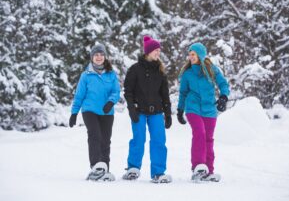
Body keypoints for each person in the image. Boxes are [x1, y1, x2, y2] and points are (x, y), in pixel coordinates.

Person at [122, 35, 173, 183]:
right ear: (148, 52)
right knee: (139, 139)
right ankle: (133, 168)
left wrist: (168, 114)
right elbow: (128, 90)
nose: (158, 53)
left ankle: (158, 172)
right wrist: (132, 109)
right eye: (155, 50)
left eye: (159, 50)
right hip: (139, 111)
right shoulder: (135, 69)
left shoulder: (160, 71)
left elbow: (165, 94)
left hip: (156, 112)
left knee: (159, 141)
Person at [177, 42, 230, 182]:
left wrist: (224, 97)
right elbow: (183, 93)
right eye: (189, 54)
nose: (190, 57)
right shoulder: (187, 74)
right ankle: (198, 166)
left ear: (200, 55)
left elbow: (223, 84)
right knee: (199, 133)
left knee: (208, 139)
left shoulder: (212, 70)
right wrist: (180, 109)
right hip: (192, 107)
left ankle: (208, 170)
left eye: (193, 54)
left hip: (209, 109)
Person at [69, 44, 120, 182]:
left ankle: (105, 168)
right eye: (96, 55)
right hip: (89, 111)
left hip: (107, 112)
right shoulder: (86, 76)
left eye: (101, 54)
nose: (99, 57)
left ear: (105, 57)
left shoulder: (111, 74)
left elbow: (116, 91)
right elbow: (79, 95)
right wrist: (74, 113)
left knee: (105, 140)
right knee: (94, 135)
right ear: (92, 57)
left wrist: (110, 102)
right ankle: (96, 166)